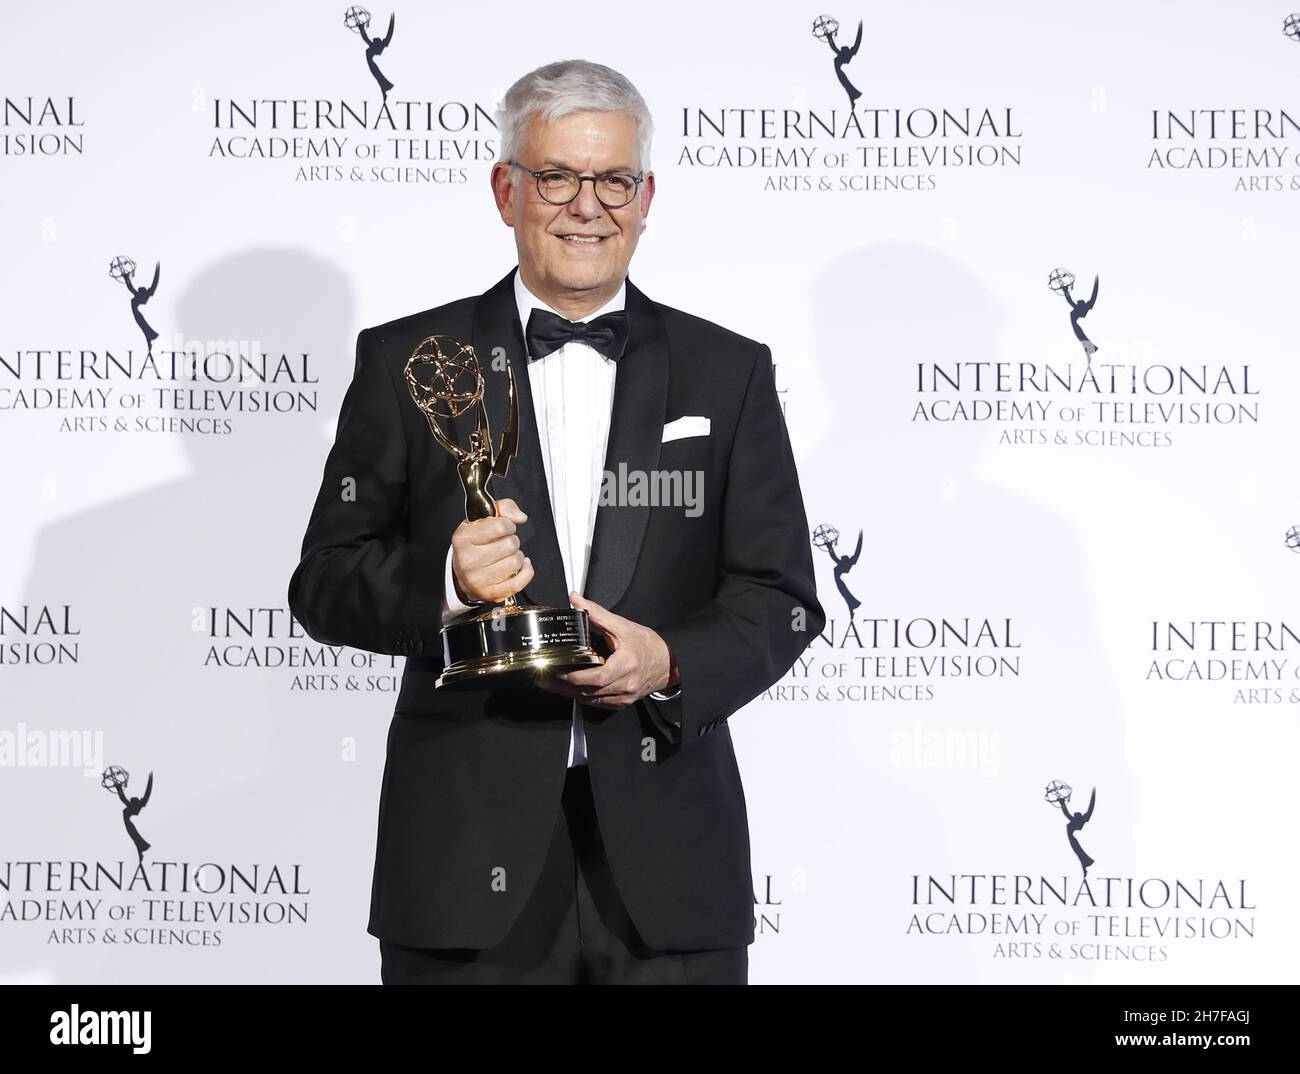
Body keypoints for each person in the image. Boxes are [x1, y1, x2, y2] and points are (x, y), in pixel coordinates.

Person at [288, 58, 824, 985]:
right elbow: (324, 582)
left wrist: (668, 662)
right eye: (557, 178)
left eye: (613, 179)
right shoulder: (409, 360)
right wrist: (447, 584)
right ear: (506, 190)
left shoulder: (727, 372)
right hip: (460, 862)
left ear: (647, 196)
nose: (588, 205)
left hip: (669, 864)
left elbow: (778, 594)